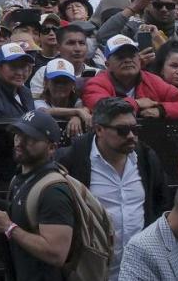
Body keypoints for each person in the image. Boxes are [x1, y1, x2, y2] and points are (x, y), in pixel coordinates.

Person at [55, 97, 170, 280]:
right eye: (122, 130)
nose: (131, 136)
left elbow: (161, 203)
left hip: (139, 271)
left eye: (134, 129)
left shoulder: (147, 159)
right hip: (92, 272)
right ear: (99, 129)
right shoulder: (73, 160)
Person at [0, 110, 77, 281]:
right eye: (18, 135)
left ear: (52, 148)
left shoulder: (54, 191)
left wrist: (9, 228)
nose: (19, 142)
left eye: (30, 138)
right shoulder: (19, 179)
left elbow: (56, 254)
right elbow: (17, 213)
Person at [83, 34, 178, 121]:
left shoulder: (152, 80)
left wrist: (161, 110)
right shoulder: (96, 83)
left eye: (132, 55)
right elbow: (102, 107)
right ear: (107, 65)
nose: (127, 60)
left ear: (139, 59)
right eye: (120, 57)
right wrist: (136, 103)